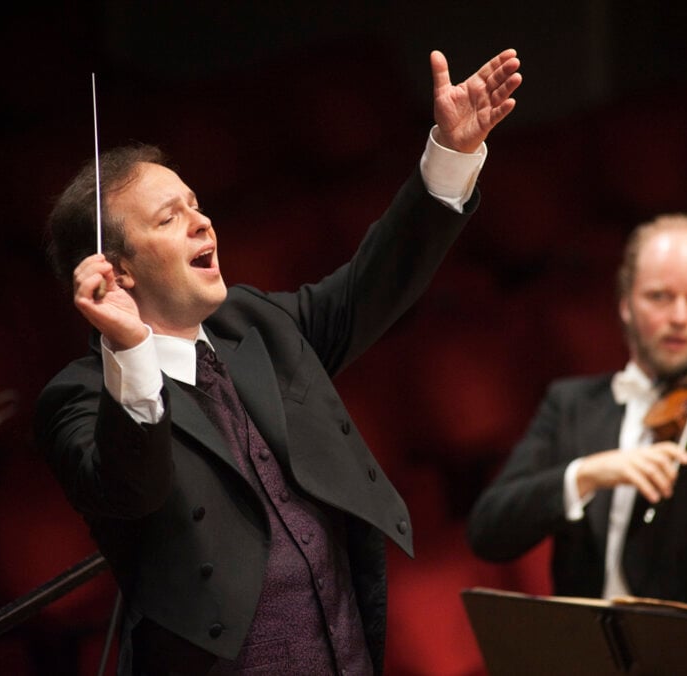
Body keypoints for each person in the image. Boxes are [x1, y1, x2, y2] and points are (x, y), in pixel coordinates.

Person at [35, 49, 520, 675]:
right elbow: (129, 488)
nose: (201, 222)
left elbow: (371, 286)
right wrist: (129, 351)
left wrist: (450, 154)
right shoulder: (77, 397)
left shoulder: (255, 325)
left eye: (195, 204)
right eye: (168, 217)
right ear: (117, 269)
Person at [467, 214, 687, 612]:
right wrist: (585, 474)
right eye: (659, 297)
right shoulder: (571, 405)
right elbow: (488, 533)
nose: (680, 318)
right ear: (625, 305)